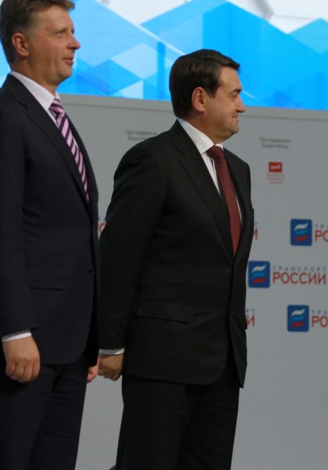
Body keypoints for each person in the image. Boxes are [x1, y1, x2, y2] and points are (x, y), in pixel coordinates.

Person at [0, 0, 99, 470]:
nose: (75, 42)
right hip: (20, 339)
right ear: (21, 43)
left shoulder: (53, 117)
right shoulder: (1, 118)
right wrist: (14, 330)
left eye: (73, 31)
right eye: (61, 33)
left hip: (67, 342)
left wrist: (90, 335)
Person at [97, 49, 254, 469]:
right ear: (200, 98)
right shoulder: (153, 160)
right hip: (162, 359)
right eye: (234, 95)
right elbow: (119, 256)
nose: (242, 106)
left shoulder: (238, 170)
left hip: (223, 362)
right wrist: (111, 342)